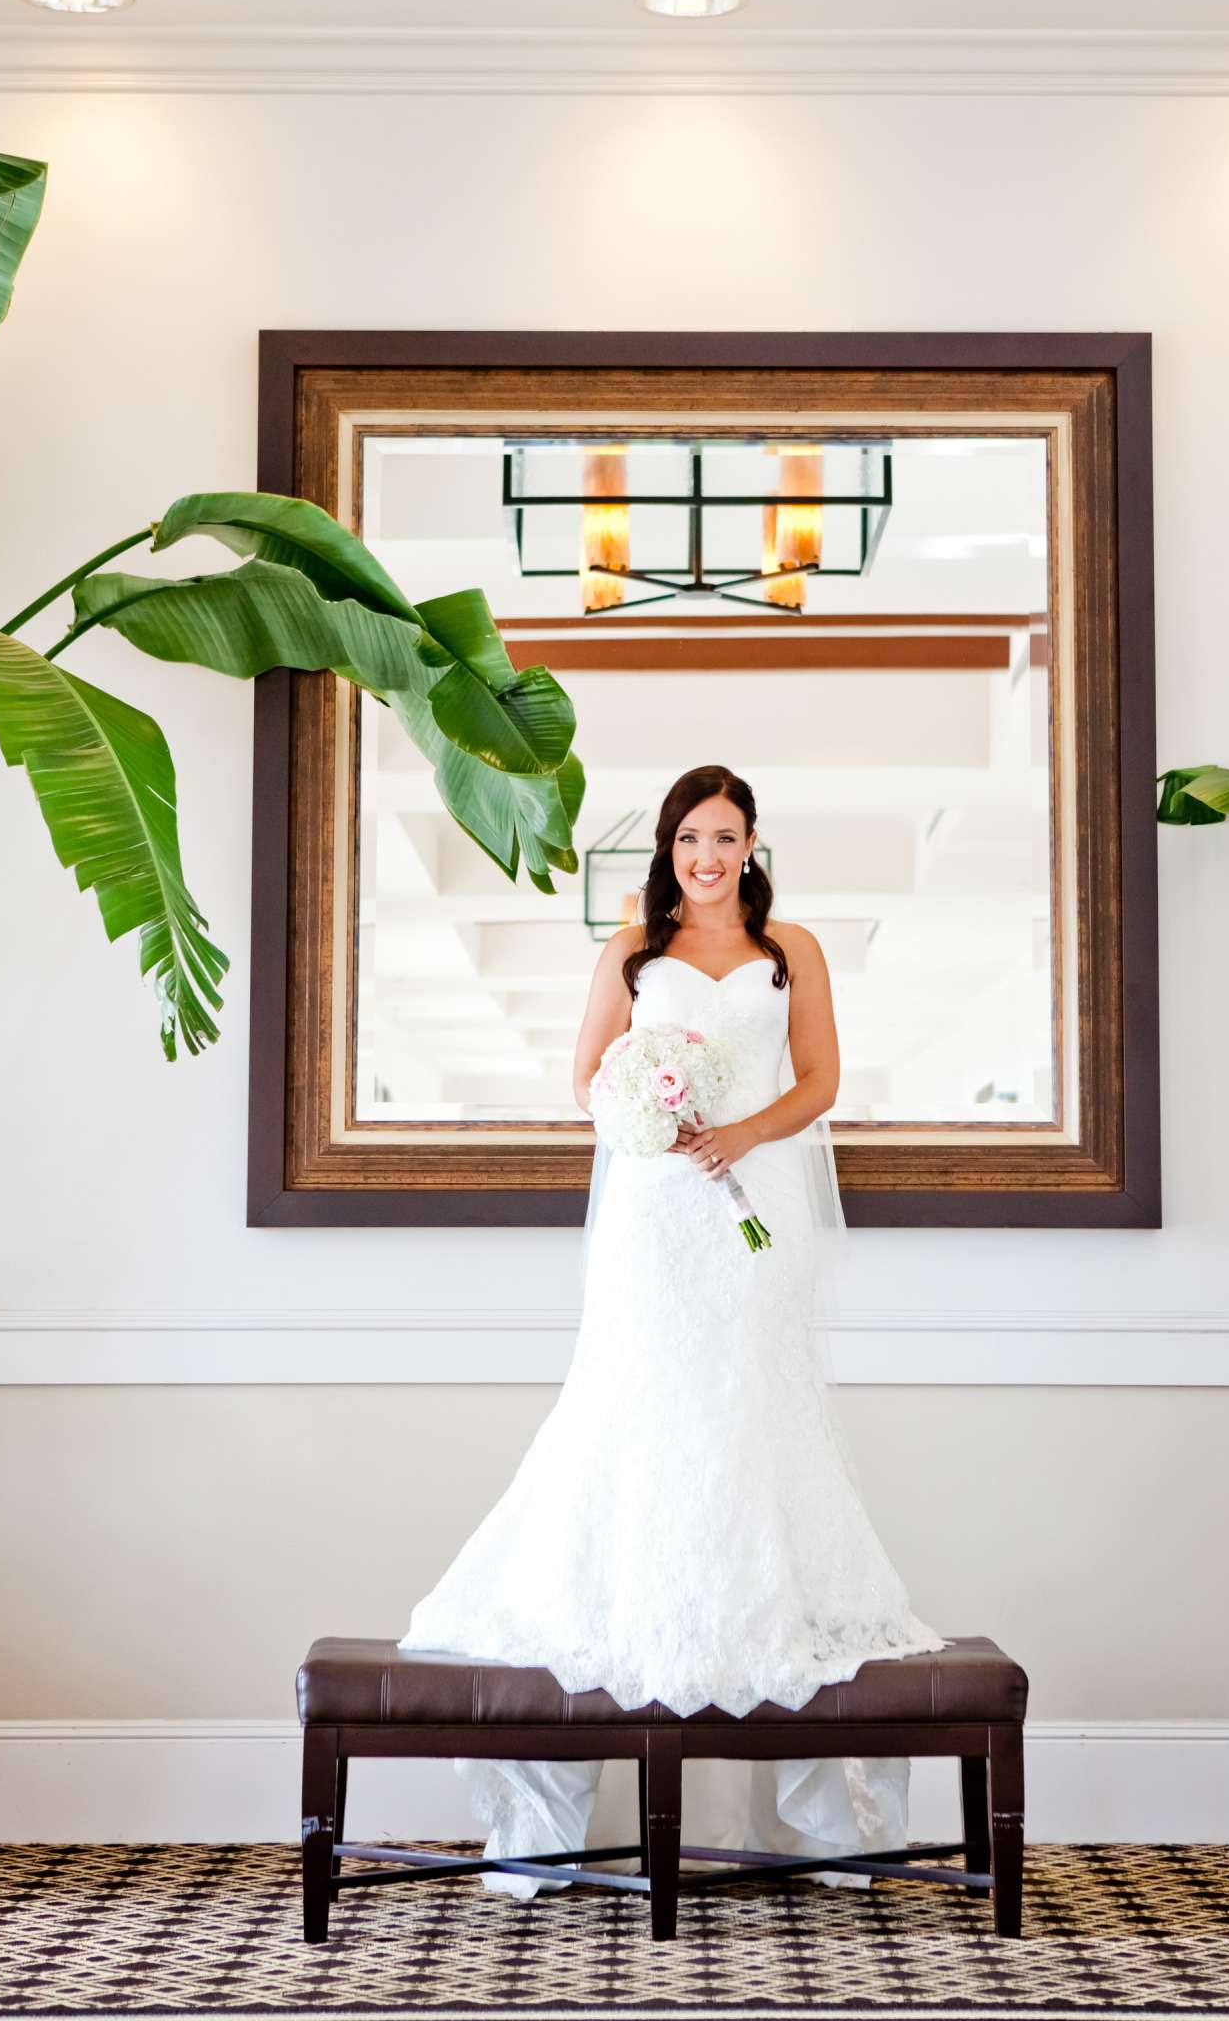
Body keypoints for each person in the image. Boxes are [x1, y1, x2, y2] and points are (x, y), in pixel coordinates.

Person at [397, 762, 943, 1892]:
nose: (708, 855)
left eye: (727, 835)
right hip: (654, 1211)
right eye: (691, 836)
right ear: (668, 847)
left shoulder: (792, 948)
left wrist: (739, 1133)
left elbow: (822, 1078)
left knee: (749, 1399)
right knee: (643, 1399)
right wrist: (652, 1105)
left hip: (756, 1206)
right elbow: (585, 1079)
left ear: (751, 845)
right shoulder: (630, 954)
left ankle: (796, 1754)